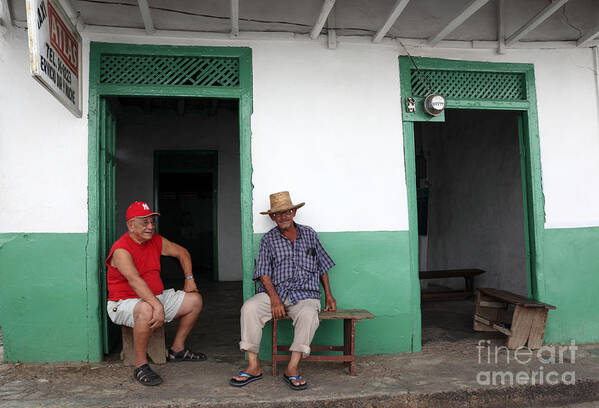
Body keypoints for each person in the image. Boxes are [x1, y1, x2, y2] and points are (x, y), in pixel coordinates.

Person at [230, 191, 336, 390]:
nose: (283, 216)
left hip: (305, 294)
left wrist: (329, 295)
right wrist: (274, 299)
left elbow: (323, 266)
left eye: (287, 211)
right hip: (276, 292)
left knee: (308, 315)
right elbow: (263, 273)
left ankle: (292, 368)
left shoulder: (310, 234)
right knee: (249, 308)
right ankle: (253, 366)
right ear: (272, 217)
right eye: (278, 214)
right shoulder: (268, 240)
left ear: (294, 212)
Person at [106, 201, 206, 386]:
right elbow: (135, 281)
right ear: (131, 225)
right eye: (144, 222)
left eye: (152, 221)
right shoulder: (121, 250)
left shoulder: (156, 241)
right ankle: (140, 365)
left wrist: (189, 278)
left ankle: (177, 349)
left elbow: (182, 253)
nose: (150, 226)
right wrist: (157, 305)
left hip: (154, 296)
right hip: (123, 303)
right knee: (146, 309)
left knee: (194, 300)